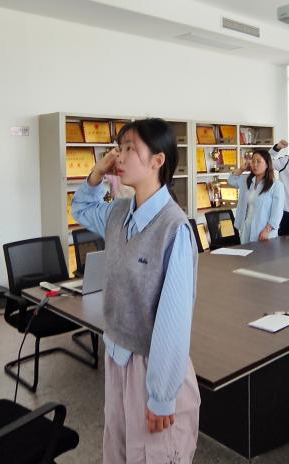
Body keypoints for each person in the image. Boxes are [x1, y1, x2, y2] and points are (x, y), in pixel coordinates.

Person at [71, 118, 200, 463]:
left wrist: (162, 396)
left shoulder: (173, 228)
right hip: (116, 356)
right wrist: (97, 173)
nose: (120, 156)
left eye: (130, 148)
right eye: (120, 147)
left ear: (158, 160)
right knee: (118, 448)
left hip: (150, 365)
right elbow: (81, 208)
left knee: (152, 454)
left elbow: (173, 322)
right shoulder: (119, 213)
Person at [227, 150, 285, 244]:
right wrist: (241, 169)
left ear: (267, 164)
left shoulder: (276, 185)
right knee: (245, 253)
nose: (255, 164)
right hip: (246, 227)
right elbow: (231, 180)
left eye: (258, 161)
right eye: (253, 161)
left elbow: (277, 212)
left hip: (264, 231)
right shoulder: (246, 180)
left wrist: (267, 230)